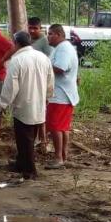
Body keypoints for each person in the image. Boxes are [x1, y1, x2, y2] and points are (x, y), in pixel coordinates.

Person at [0, 31, 54, 180]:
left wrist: (3, 103)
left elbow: (11, 86)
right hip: (39, 103)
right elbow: (50, 80)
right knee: (29, 137)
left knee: (25, 140)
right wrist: (48, 96)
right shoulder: (43, 58)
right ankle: (21, 164)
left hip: (23, 105)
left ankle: (30, 171)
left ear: (15, 43)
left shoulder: (17, 60)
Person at [45, 24, 79, 169]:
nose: (48, 36)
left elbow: (60, 68)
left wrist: (43, 67)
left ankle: (58, 158)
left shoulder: (64, 49)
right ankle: (63, 155)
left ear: (59, 34)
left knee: (55, 127)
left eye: (51, 34)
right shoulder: (62, 48)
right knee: (62, 127)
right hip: (63, 93)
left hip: (60, 94)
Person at [27, 16, 52, 150]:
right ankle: (36, 139)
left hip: (40, 80)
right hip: (29, 79)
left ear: (40, 28)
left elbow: (50, 60)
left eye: (35, 28)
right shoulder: (28, 39)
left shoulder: (44, 41)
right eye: (30, 27)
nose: (32, 30)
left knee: (41, 110)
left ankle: (43, 140)